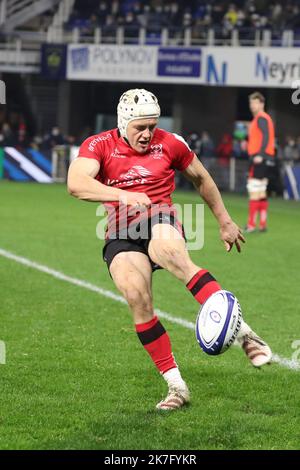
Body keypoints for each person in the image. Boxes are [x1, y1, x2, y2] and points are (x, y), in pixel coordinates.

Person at [67, 89, 272, 411]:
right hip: (121, 231)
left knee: (170, 253)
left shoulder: (171, 143)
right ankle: (176, 386)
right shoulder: (99, 145)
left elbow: (201, 179)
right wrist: (122, 196)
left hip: (160, 217)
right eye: (140, 128)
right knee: (136, 296)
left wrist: (225, 221)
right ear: (123, 123)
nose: (148, 134)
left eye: (152, 125)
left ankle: (247, 336)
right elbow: (76, 183)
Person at [245, 92, 275, 233]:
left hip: (260, 158)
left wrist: (260, 154)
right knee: (262, 190)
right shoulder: (264, 118)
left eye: (255, 103)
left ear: (262, 104)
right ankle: (262, 224)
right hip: (267, 158)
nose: (252, 106)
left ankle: (251, 224)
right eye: (251, 103)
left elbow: (266, 137)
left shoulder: (261, 118)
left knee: (254, 189)